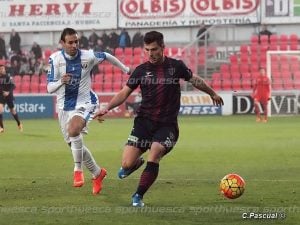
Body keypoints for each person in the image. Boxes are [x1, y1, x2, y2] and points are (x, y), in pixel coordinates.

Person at [93, 31, 224, 206]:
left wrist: (212, 93)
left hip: (167, 126)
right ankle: (133, 164)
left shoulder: (176, 67)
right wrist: (106, 107)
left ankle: (138, 196)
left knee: (154, 154)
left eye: (154, 49)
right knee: (125, 164)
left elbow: (195, 80)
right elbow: (125, 92)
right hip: (143, 123)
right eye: (147, 50)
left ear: (162, 47)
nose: (150, 54)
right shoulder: (141, 70)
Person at [47, 27, 130, 195]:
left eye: (76, 41)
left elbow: (107, 56)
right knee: (74, 144)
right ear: (62, 43)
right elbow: (49, 88)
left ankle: (78, 170)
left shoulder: (88, 56)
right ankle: (98, 174)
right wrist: (61, 82)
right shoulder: (55, 59)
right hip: (64, 107)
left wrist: (127, 70)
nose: (74, 45)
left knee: (74, 130)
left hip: (86, 102)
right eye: (70, 42)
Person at [0, 64, 23, 133]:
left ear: (4, 69)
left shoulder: (8, 77)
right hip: (1, 95)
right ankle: (1, 128)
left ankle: (19, 123)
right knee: (0, 110)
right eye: (0, 69)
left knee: (12, 110)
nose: (1, 70)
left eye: (2, 69)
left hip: (9, 96)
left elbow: (13, 86)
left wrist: (8, 92)